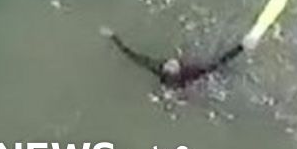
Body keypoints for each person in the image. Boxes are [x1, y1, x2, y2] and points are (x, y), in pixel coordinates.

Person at [103, 27, 243, 89]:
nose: (170, 62)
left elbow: (131, 55)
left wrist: (113, 37)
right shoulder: (191, 73)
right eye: (172, 66)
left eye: (169, 64)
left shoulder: (156, 67)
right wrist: (241, 47)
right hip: (191, 83)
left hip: (180, 83)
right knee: (215, 70)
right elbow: (219, 62)